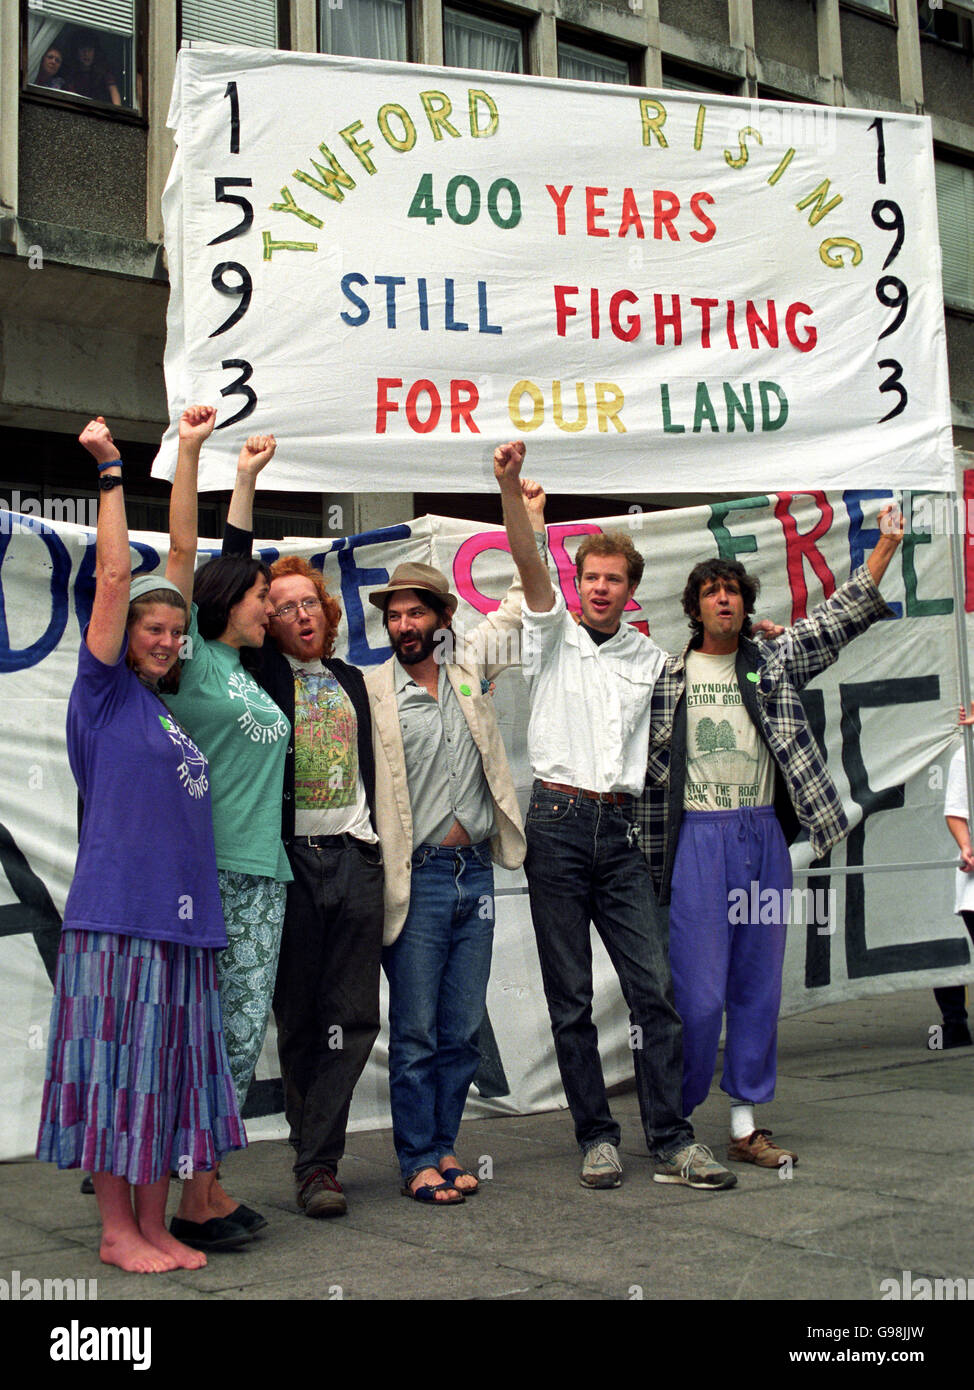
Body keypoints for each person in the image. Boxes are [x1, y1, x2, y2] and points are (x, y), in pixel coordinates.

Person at [36, 410, 244, 1273]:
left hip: (183, 927)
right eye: (150, 629)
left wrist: (199, 456)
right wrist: (114, 471)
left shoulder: (167, 712)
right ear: (125, 639)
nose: (163, 637)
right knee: (120, 1074)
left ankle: (156, 1226)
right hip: (120, 919)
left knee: (162, 1083)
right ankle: (118, 1230)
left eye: (174, 631)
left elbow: (186, 564)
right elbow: (120, 573)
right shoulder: (105, 694)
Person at [496, 440, 734, 1192]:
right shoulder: (552, 632)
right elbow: (530, 567)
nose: (600, 589)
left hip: (624, 834)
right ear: (578, 582)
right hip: (557, 827)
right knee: (569, 1000)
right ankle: (596, 1138)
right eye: (590, 577)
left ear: (632, 590)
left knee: (655, 992)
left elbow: (717, 689)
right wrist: (509, 490)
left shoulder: (653, 661)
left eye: (614, 581)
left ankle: (672, 1138)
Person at [636, 507, 904, 1167]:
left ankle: (744, 1122)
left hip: (762, 838)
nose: (724, 598)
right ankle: (679, 1111)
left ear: (745, 605)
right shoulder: (666, 678)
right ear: (695, 609)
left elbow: (840, 618)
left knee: (757, 985)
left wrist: (888, 545)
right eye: (711, 592)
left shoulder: (773, 661)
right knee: (696, 996)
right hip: (698, 841)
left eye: (733, 591)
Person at [365, 480, 542, 1205]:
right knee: (414, 1032)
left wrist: (526, 514)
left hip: (478, 875)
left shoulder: (472, 673)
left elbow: (527, 600)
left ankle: (443, 1147)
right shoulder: (372, 691)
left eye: (418, 610)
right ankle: (416, 1160)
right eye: (396, 613)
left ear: (444, 618)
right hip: (419, 877)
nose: (405, 622)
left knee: (463, 1028)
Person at [221, 491, 383, 1219]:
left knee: (355, 1017)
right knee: (299, 1014)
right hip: (290, 863)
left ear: (328, 608)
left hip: (355, 860)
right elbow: (227, 574)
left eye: (309, 600)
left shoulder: (352, 682)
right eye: (281, 606)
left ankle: (316, 1156)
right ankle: (316, 1165)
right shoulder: (260, 677)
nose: (300, 614)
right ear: (264, 621)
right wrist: (245, 483)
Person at [161, 422, 292, 1249]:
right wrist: (194, 455)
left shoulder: (247, 671)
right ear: (225, 605)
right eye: (259, 599)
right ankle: (189, 1196)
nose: (271, 607)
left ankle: (206, 1186)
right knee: (210, 1034)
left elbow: (236, 556)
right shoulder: (197, 661)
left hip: (262, 874)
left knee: (238, 1040)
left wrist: (248, 474)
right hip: (213, 875)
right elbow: (187, 552)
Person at [937, 717, 974, 1047]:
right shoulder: (966, 754)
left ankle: (954, 1024)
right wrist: (966, 846)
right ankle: (954, 1023)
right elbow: (956, 810)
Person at [64, 31, 121, 105]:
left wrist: (117, 111)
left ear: (95, 53)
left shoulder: (103, 72)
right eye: (82, 50)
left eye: (90, 50)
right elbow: (71, 96)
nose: (86, 54)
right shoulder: (71, 73)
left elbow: (113, 89)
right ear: (76, 52)